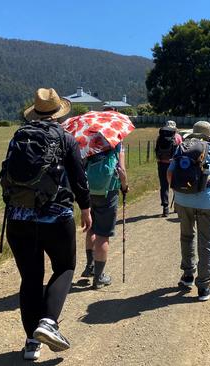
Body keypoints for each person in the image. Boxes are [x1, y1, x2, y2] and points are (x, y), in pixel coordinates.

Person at [0, 88, 91, 360]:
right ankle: (49, 322)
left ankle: (31, 344)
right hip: (56, 217)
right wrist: (86, 208)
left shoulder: (19, 136)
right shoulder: (66, 138)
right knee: (65, 266)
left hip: (18, 217)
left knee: (30, 277)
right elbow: (79, 179)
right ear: (58, 113)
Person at [167, 121, 210, 301]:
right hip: (207, 203)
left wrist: (179, 193)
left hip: (182, 201)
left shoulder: (181, 148)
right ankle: (203, 287)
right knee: (206, 243)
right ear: (208, 135)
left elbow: (169, 175)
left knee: (186, 237)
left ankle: (187, 276)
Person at [81, 105, 129, 288]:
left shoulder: (88, 138)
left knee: (91, 227)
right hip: (108, 192)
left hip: (87, 190)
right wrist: (124, 186)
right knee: (103, 235)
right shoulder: (116, 140)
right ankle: (99, 278)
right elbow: (121, 170)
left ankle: (89, 266)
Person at [155, 120, 181, 217]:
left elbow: (156, 150)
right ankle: (177, 206)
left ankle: (165, 208)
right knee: (175, 184)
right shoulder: (177, 137)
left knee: (164, 186)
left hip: (161, 163)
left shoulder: (159, 137)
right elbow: (180, 150)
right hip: (173, 164)